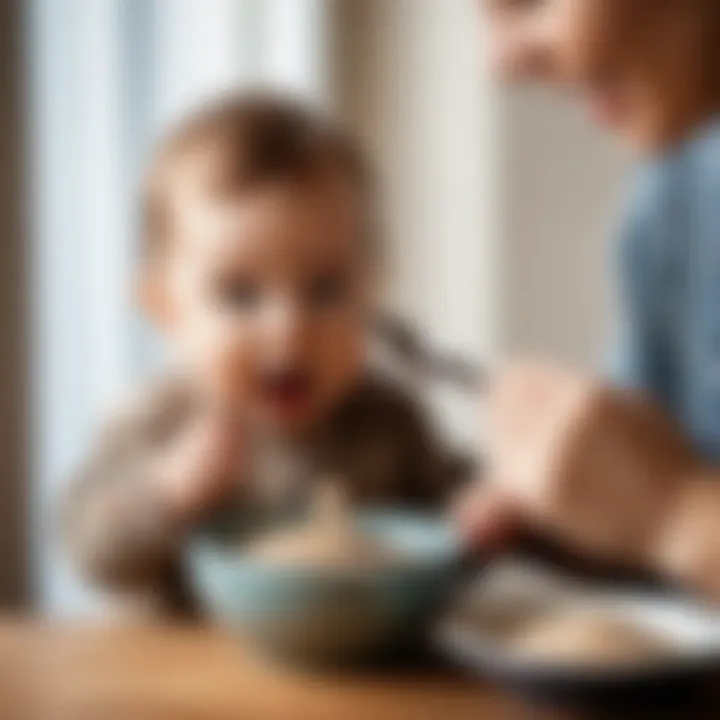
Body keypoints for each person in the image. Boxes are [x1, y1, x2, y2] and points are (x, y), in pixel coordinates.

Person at [61, 94, 466, 616]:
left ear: (371, 292)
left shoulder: (387, 423)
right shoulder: (160, 422)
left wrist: (485, 519)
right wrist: (167, 494)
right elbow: (89, 550)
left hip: (355, 681)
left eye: (325, 289)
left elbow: (449, 530)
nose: (290, 329)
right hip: (184, 685)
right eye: (240, 296)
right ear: (165, 306)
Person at [461, 0, 720, 599]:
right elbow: (646, 474)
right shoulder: (674, 196)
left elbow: (665, 505)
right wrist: (574, 510)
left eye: (529, 3)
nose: (498, 65)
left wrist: (676, 513)